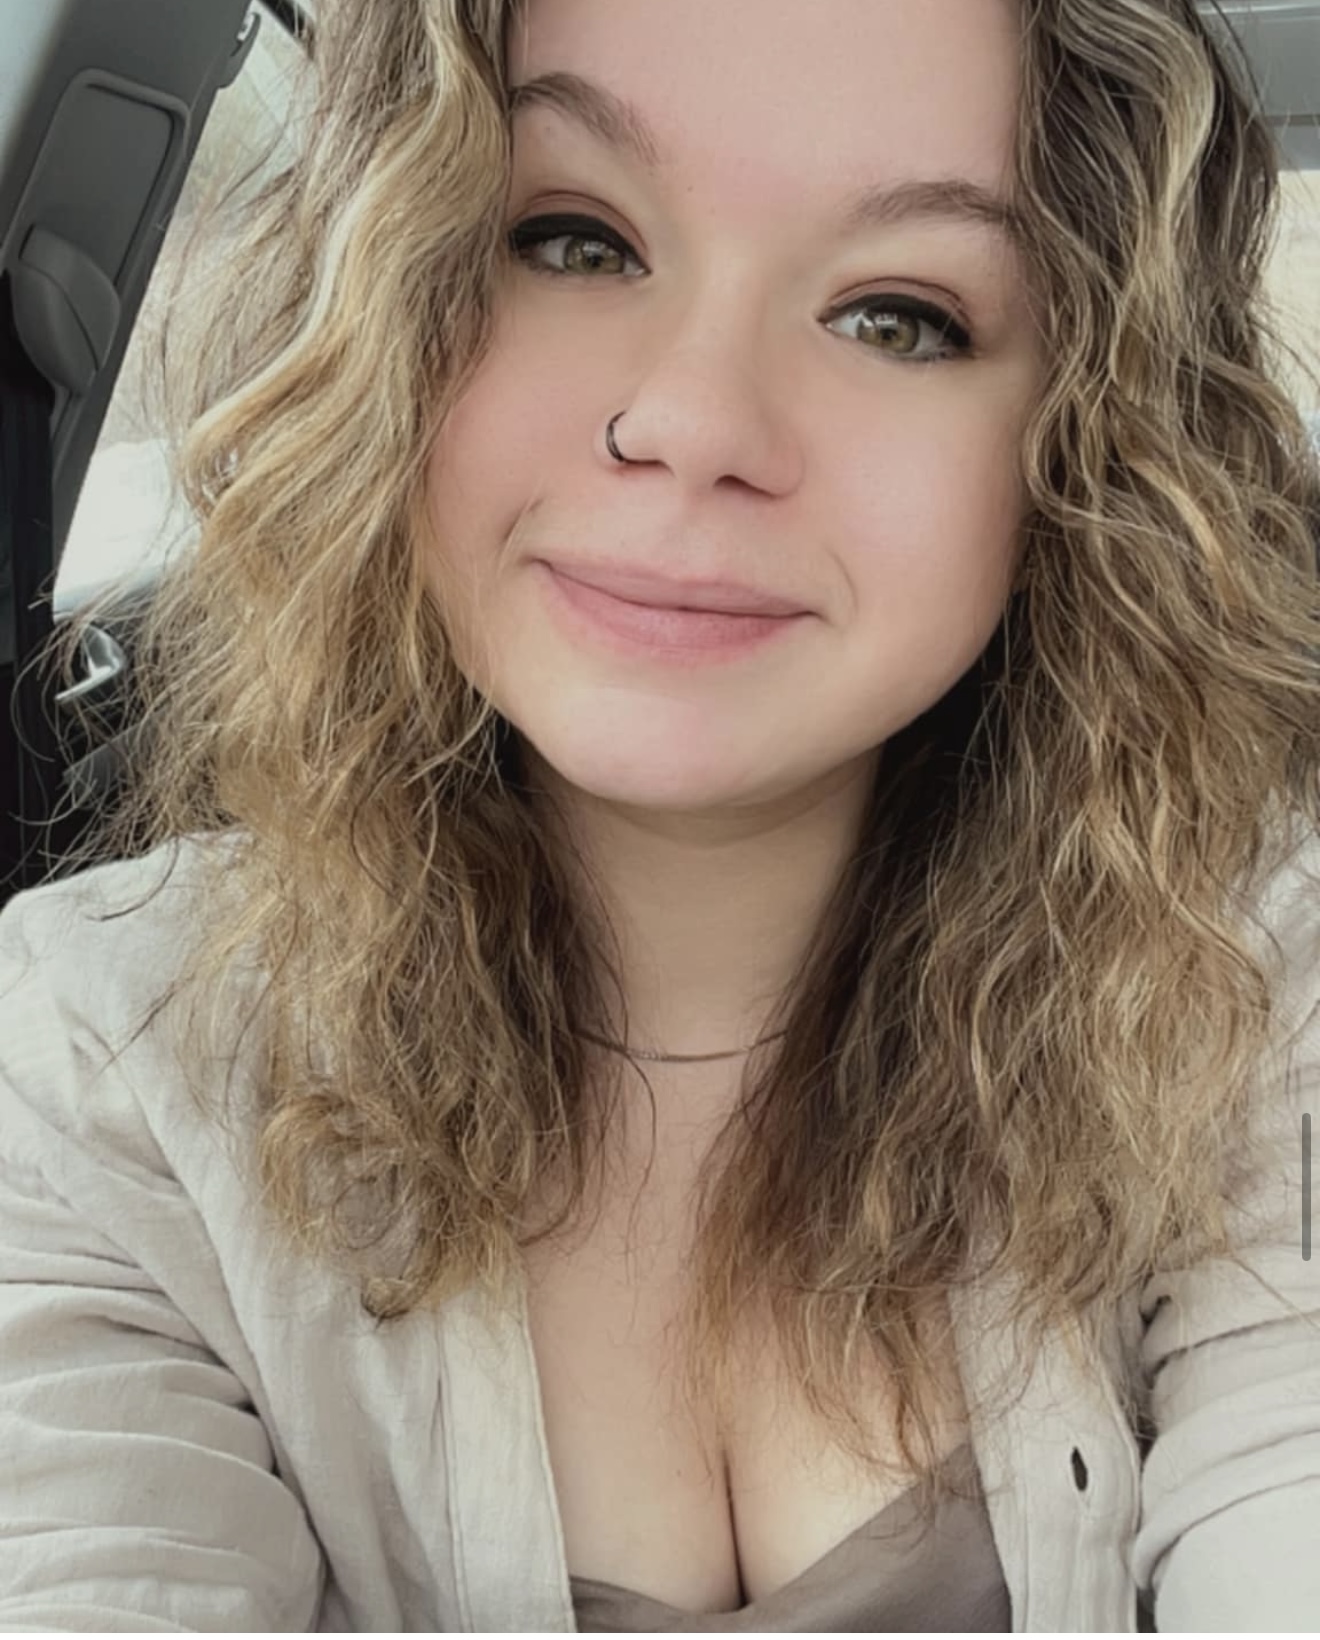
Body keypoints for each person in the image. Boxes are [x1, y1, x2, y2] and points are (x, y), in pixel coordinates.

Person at [2, 0, 1318, 1630]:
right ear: (388, 303)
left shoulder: (1244, 981)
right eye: (574, 241)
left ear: (1080, 447)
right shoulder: (97, 1069)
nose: (692, 425)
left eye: (898, 317)